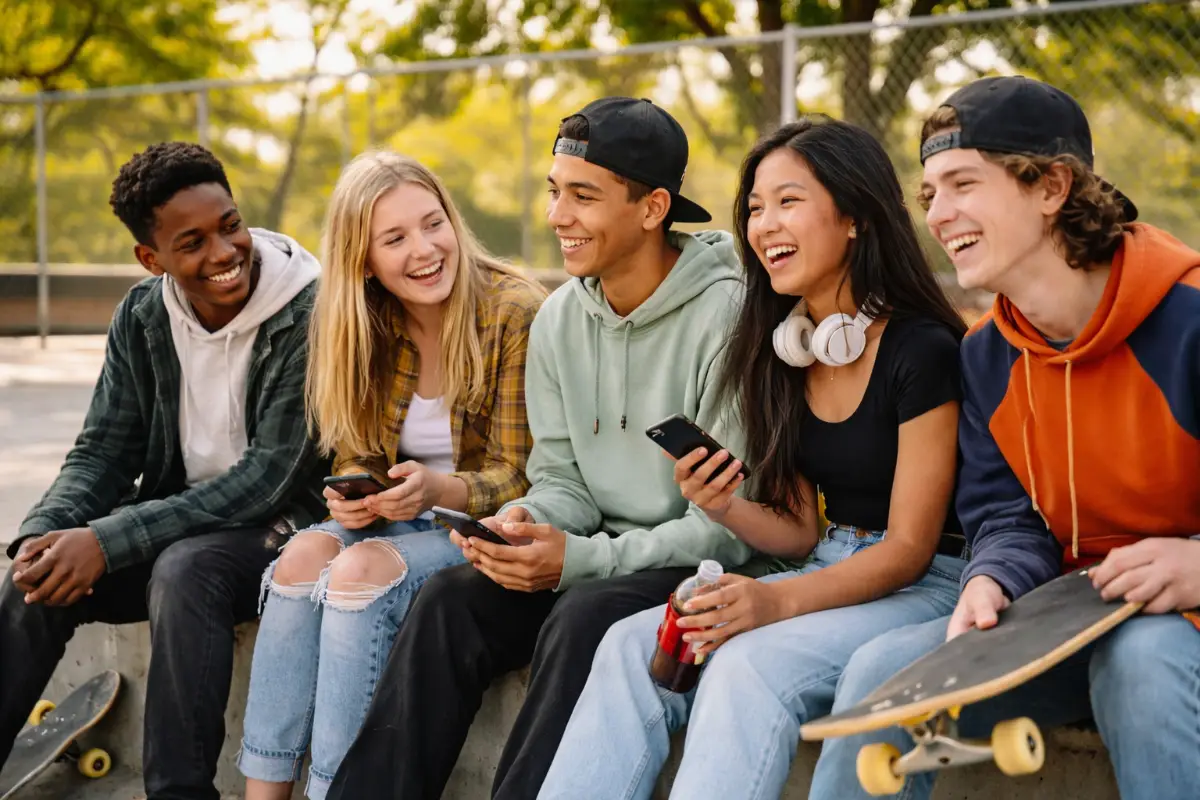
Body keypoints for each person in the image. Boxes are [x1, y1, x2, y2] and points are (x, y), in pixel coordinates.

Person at [325, 97, 754, 800]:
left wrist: (576, 560)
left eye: (583, 197)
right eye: (554, 191)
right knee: (450, 600)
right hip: (597, 552)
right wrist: (525, 522)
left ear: (652, 208)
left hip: (692, 561)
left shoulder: (728, 318)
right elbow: (563, 483)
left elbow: (726, 530)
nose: (557, 216)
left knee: (582, 615)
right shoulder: (561, 318)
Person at [538, 115, 971, 799]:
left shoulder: (921, 351)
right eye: (756, 208)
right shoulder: (787, 349)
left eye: (789, 202)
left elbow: (911, 547)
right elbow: (798, 529)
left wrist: (772, 600)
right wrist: (725, 504)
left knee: (747, 665)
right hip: (823, 560)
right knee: (631, 644)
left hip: (926, 585)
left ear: (854, 215)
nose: (765, 224)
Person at [808, 76, 1200, 800]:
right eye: (928, 193)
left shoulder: (1190, 320)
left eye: (962, 182)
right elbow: (1007, 516)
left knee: (1143, 658)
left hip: (1176, 633)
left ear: (1051, 186)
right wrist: (991, 580)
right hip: (1069, 624)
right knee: (881, 674)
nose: (938, 213)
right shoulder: (986, 357)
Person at [0, 142, 327, 800]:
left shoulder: (309, 311)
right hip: (181, 523)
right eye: (193, 242)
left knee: (186, 569)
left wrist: (109, 540)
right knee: (35, 575)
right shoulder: (145, 315)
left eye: (229, 224)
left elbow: (267, 477)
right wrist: (47, 531)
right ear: (151, 260)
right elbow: (103, 452)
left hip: (288, 529)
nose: (224, 252)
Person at [237, 151, 547, 800]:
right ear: (364, 260)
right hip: (398, 517)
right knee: (302, 556)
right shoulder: (360, 320)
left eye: (434, 224)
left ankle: (335, 790)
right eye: (396, 238)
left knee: (357, 570)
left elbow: (525, 475)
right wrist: (355, 493)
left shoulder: (513, 311)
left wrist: (440, 491)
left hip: (477, 524)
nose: (426, 249)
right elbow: (355, 452)